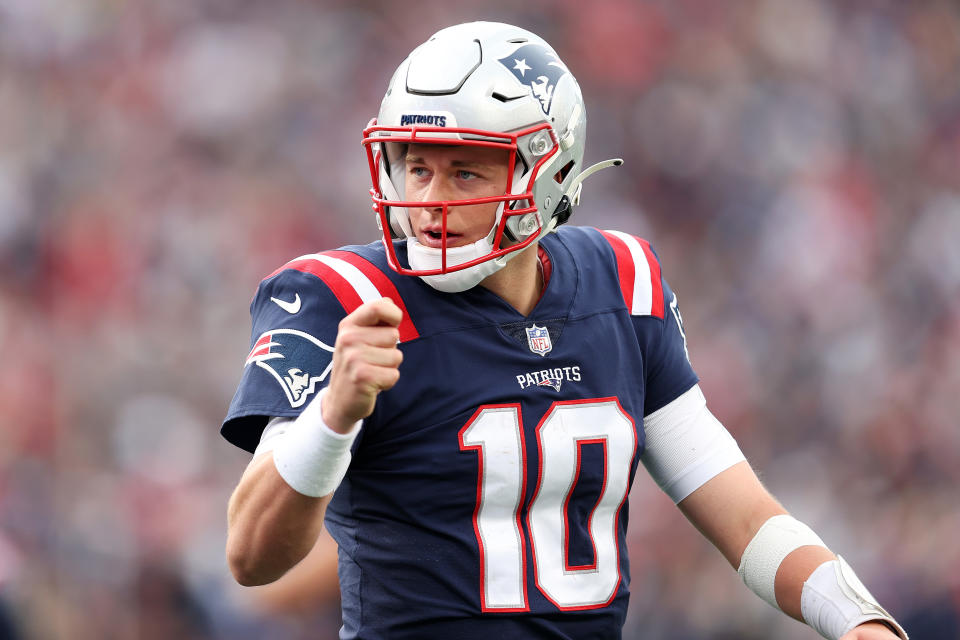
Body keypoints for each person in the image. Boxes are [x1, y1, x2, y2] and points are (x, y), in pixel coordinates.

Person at [222, 21, 909, 640]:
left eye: (464, 172)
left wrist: (856, 618)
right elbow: (252, 557)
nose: (430, 202)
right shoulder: (343, 300)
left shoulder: (622, 282)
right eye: (417, 166)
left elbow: (746, 520)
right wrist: (333, 415)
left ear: (547, 170)